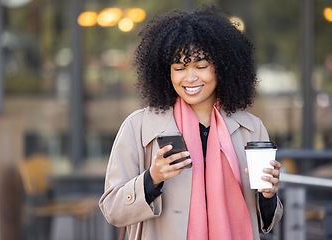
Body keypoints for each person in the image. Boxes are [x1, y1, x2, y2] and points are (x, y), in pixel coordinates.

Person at [99, 4, 283, 240]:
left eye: (201, 66)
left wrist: (268, 196)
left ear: (222, 67)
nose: (190, 77)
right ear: (167, 72)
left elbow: (266, 222)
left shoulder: (251, 129)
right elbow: (112, 210)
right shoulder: (139, 127)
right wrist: (152, 178)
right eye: (179, 68)